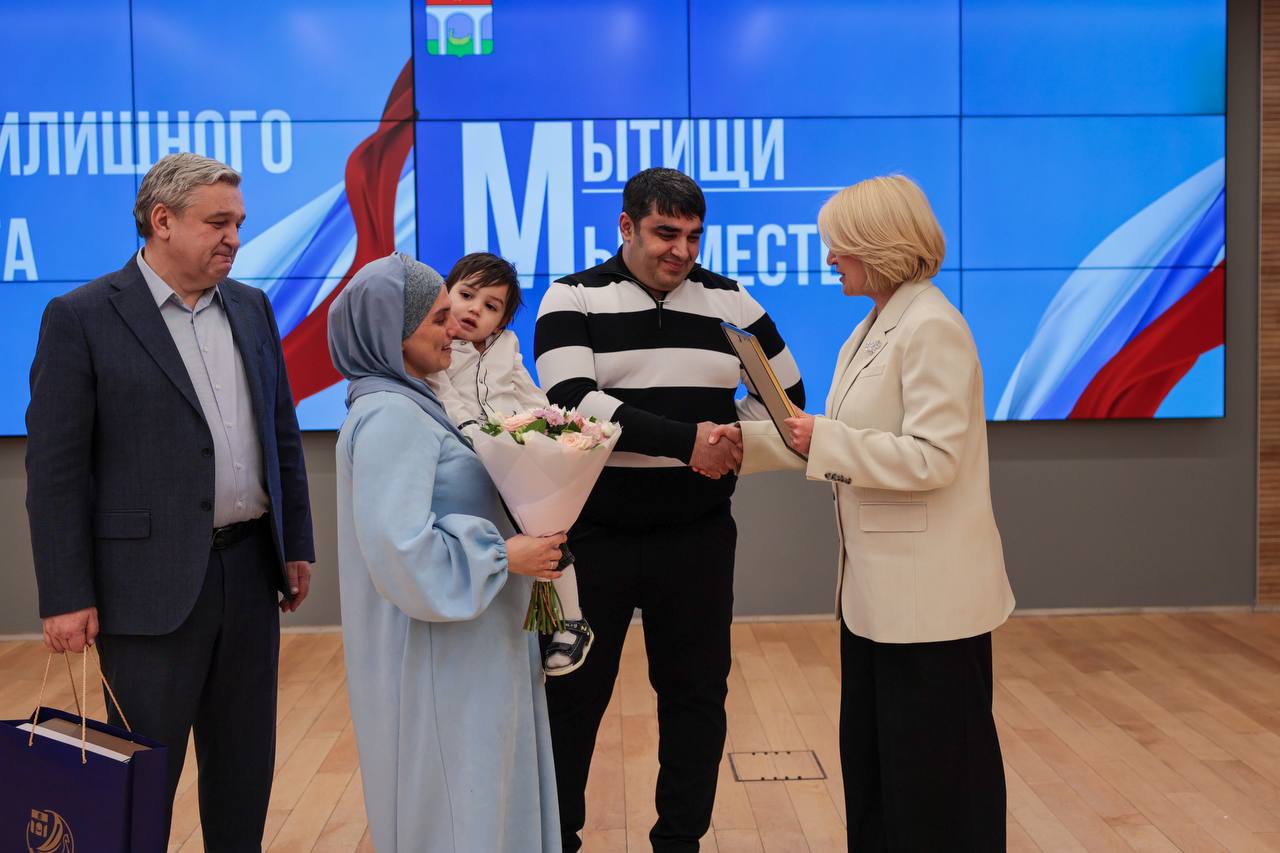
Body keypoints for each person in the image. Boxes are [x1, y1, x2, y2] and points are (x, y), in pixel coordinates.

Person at [25, 152, 315, 849]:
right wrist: (65, 594)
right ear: (162, 221)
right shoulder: (81, 316)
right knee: (141, 780)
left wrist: (296, 544)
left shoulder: (251, 307)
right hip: (143, 592)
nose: (235, 238)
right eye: (218, 223)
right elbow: (56, 471)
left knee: (244, 768)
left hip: (249, 573)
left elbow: (280, 433)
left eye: (239, 222)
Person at [721, 174, 1015, 851]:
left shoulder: (932, 327)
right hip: (878, 600)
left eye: (839, 245)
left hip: (930, 605)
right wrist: (736, 444)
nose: (829, 258)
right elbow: (833, 435)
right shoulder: (872, 328)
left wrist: (823, 439)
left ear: (879, 245)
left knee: (936, 785)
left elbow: (934, 458)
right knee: (881, 773)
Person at [534, 167, 804, 852]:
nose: (681, 250)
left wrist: (731, 442)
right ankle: (557, 839)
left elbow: (786, 399)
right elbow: (570, 401)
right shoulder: (572, 296)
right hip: (593, 538)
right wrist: (689, 443)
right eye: (664, 233)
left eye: (692, 236)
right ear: (626, 227)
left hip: (698, 537)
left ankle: (680, 842)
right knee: (571, 698)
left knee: (696, 698)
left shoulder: (732, 300)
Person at [328, 252, 566, 853]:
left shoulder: (409, 405)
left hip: (468, 650)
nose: (453, 328)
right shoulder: (393, 416)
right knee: (460, 812)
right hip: (442, 660)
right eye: (437, 318)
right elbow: (403, 550)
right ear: (393, 332)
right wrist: (504, 556)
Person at [427, 252, 595, 675]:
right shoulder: (438, 343)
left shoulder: (506, 346)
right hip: (472, 451)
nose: (474, 310)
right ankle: (542, 622)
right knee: (525, 536)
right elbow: (445, 394)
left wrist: (557, 428)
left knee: (547, 529)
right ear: (446, 294)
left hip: (516, 446)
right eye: (466, 295)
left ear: (501, 322)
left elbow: (527, 390)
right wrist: (472, 432)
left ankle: (571, 620)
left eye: (490, 306)